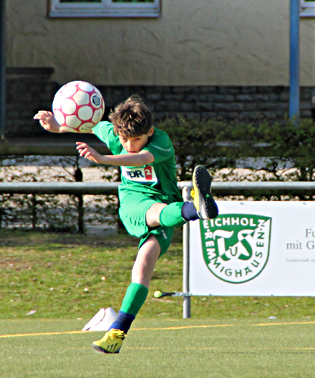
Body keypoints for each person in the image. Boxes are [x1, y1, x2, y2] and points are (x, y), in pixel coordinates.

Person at [34, 94, 219, 354]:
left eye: (137, 140)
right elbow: (88, 123)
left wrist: (103, 159)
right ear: (117, 132)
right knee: (150, 235)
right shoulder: (115, 133)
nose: (129, 145)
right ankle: (195, 209)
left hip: (165, 205)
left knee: (144, 261)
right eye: (124, 140)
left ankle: (116, 335)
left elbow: (141, 159)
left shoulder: (161, 141)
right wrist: (58, 126)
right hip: (135, 204)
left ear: (150, 132)